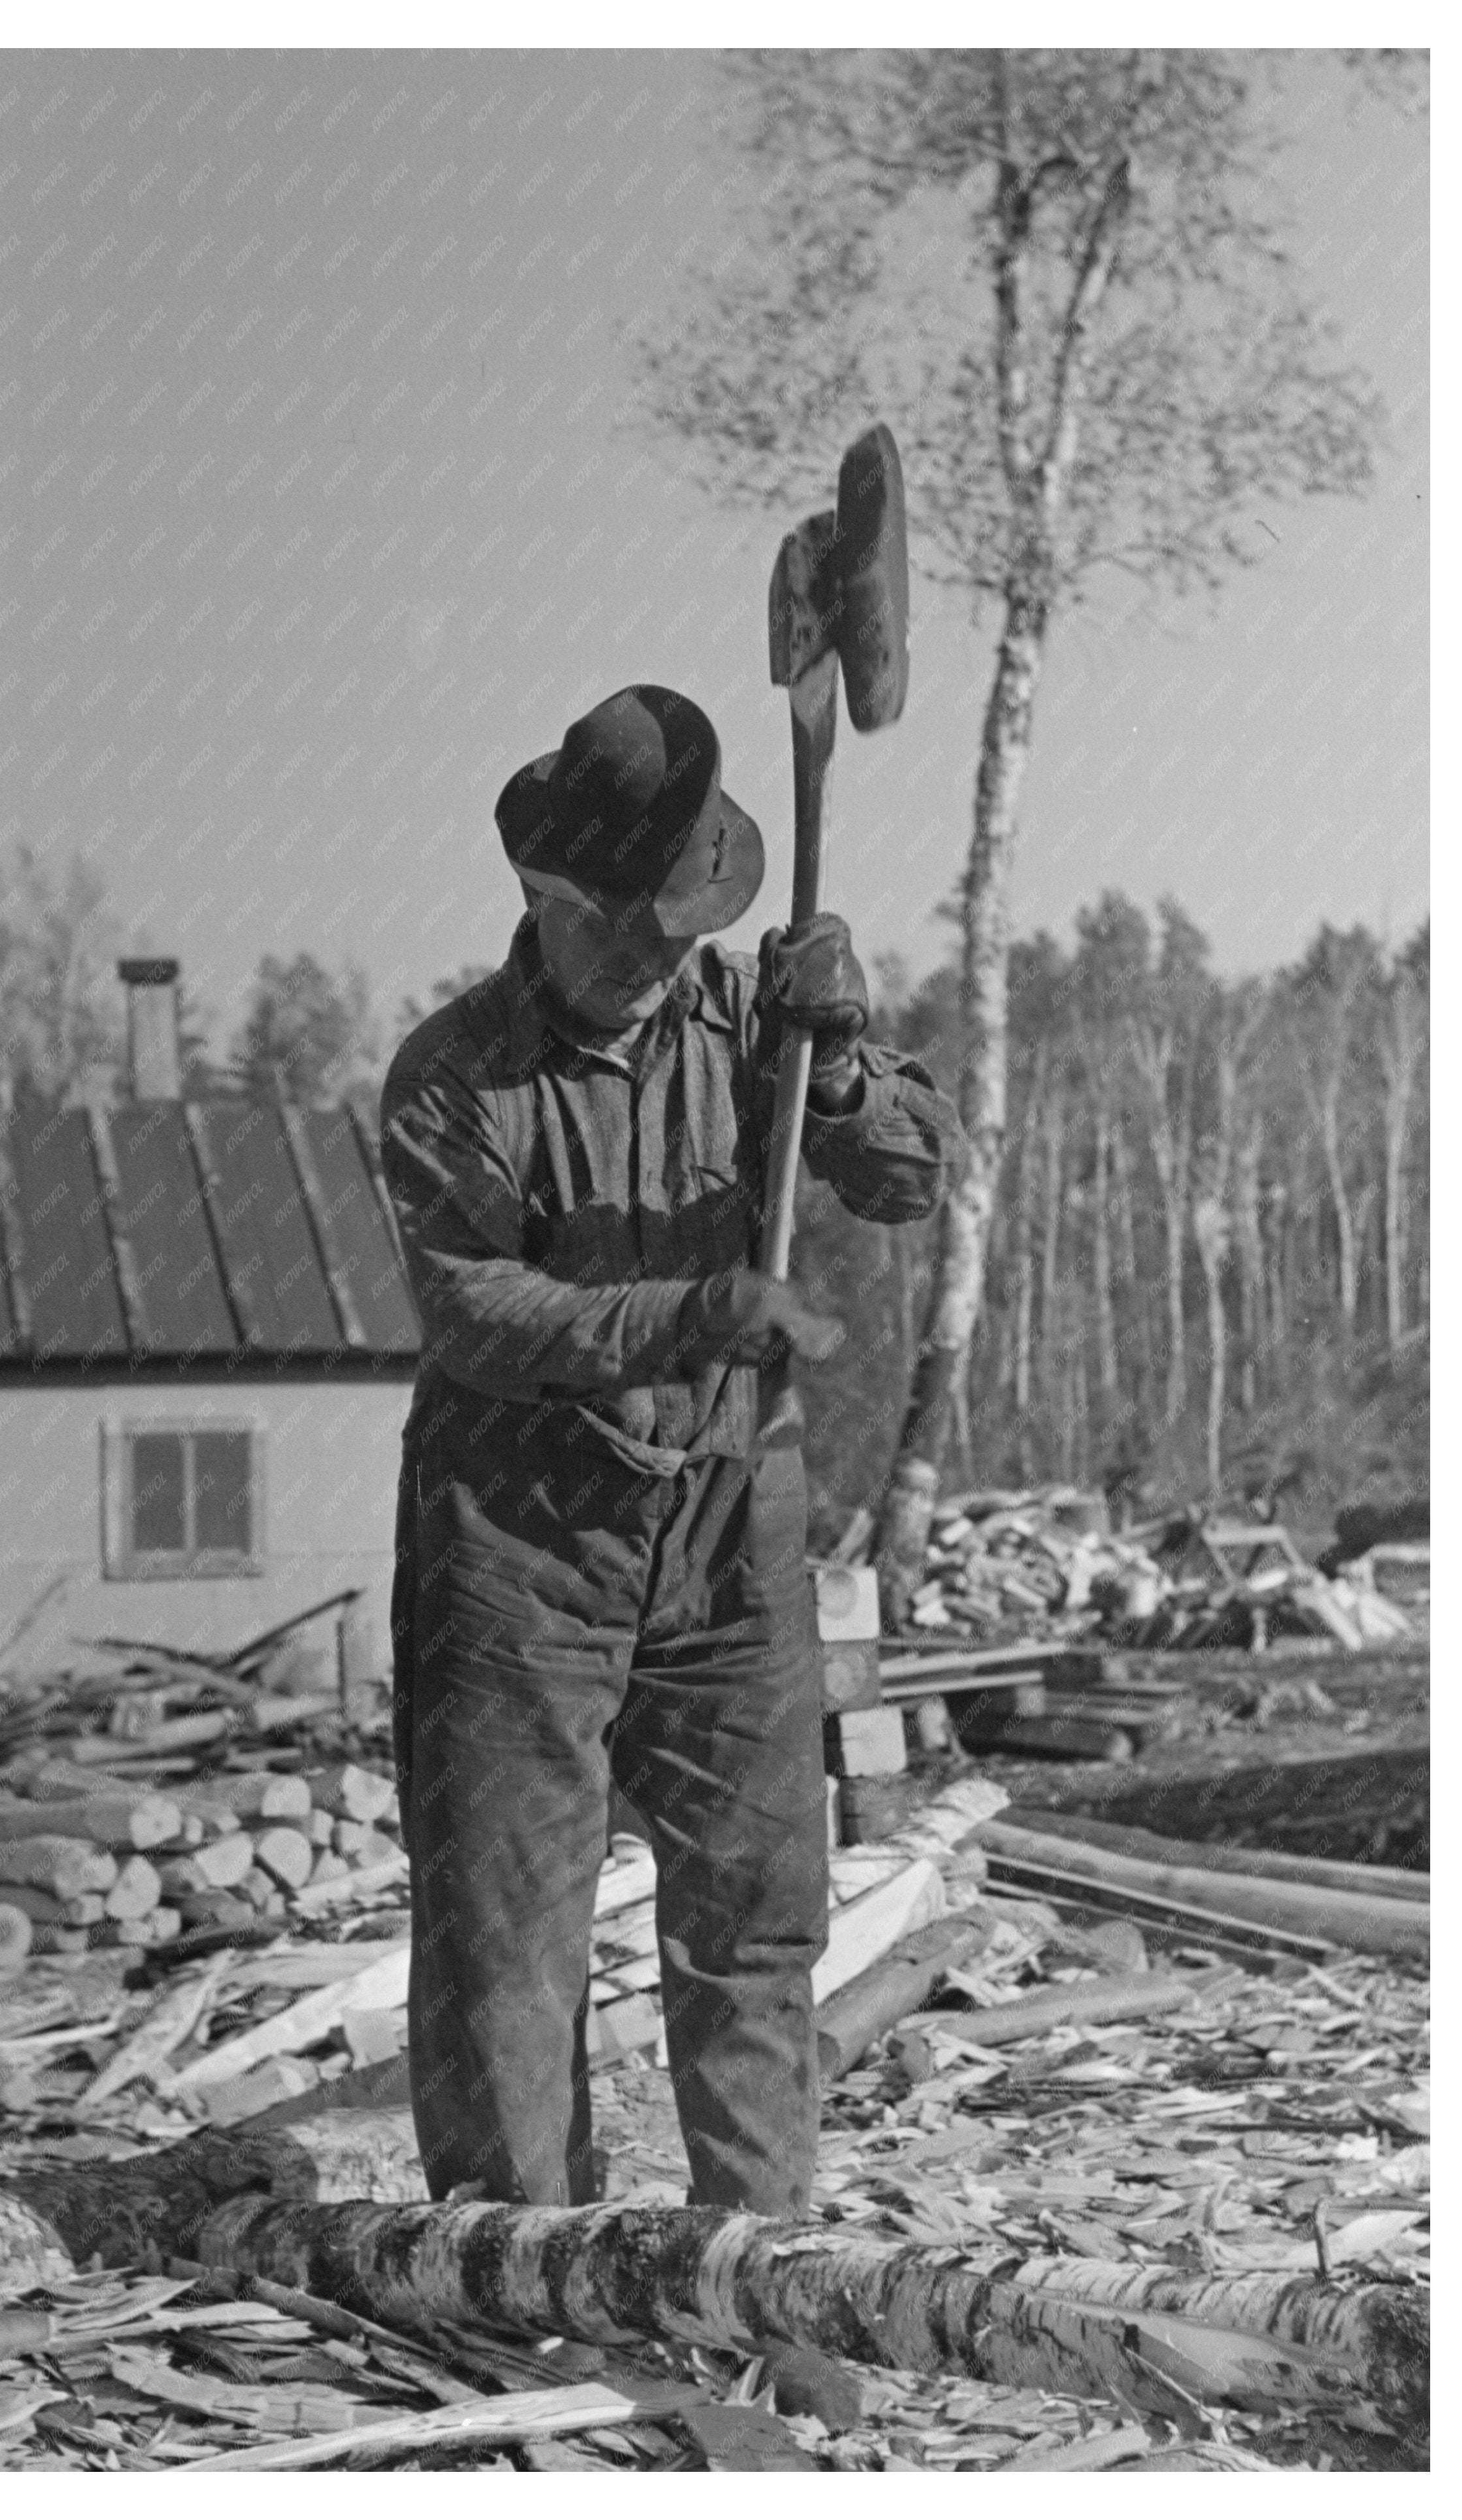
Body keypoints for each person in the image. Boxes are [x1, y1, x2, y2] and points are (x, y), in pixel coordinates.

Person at [379, 684, 963, 2216]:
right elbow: (474, 1310)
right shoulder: (453, 1080)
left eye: (676, 920)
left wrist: (835, 1068)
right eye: (621, 922)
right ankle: (524, 2294)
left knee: (755, 1917)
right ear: (543, 891)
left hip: (724, 1526)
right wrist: (688, 1308)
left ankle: (755, 2276)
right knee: (508, 1945)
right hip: (520, 1546)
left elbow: (910, 1176)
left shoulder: (747, 1024)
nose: (654, 952)